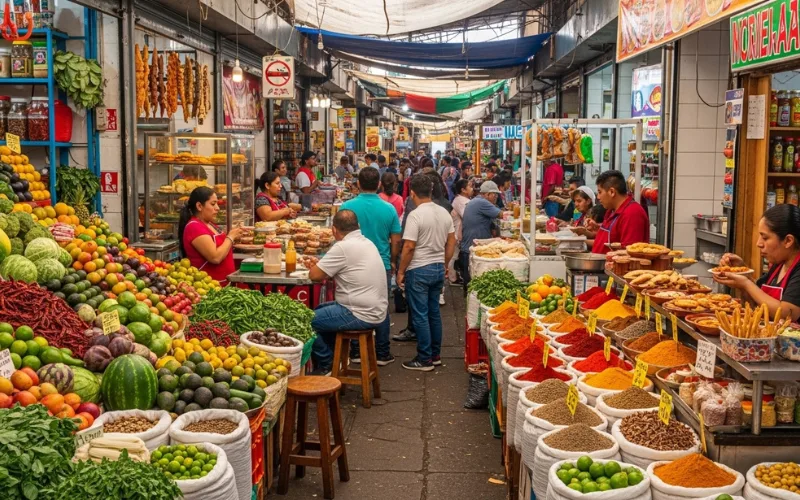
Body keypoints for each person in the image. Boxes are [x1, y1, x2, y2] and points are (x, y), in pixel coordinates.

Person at [308, 210, 388, 374]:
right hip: (375, 309)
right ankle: (332, 360)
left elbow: (314, 275)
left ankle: (326, 362)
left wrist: (317, 267)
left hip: (359, 312)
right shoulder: (366, 242)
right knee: (319, 311)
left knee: (304, 320)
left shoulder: (343, 247)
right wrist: (322, 266)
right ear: (357, 226)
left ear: (334, 230)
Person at [337, 168, 402, 365]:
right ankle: (382, 352)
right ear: (379, 185)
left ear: (358, 184)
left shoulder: (347, 207)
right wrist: (392, 260)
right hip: (381, 263)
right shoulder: (389, 208)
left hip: (351, 263)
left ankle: (356, 350)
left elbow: (339, 235)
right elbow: (396, 240)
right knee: (380, 305)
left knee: (352, 304)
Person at [397, 175, 456, 371]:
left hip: (419, 269)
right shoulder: (444, 212)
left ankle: (424, 358)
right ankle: (435, 354)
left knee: (420, 315)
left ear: (412, 193)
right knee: (433, 314)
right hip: (438, 267)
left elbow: (409, 247)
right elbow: (451, 243)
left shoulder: (415, 215)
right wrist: (444, 263)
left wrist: (401, 271)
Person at [714, 205, 800, 321]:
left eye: (765, 238)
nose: (758, 243)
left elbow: (787, 313)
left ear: (788, 241)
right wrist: (743, 273)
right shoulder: (778, 264)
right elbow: (755, 304)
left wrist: (746, 283)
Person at [178, 187, 244, 286]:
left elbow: (222, 245)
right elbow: (215, 257)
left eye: (217, 203)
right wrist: (230, 237)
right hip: (211, 287)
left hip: (225, 283)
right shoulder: (194, 226)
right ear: (199, 206)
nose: (217, 208)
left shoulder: (209, 223)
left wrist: (236, 235)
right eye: (213, 204)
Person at [587, 170, 650, 254]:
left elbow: (629, 253)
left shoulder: (632, 213)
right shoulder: (611, 210)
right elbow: (612, 236)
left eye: (600, 192)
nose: (598, 197)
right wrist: (597, 227)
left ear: (612, 192)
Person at [459, 180, 503, 287]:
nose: (496, 197)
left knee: (471, 285)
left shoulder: (476, 201)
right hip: (471, 249)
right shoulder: (482, 202)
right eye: (494, 195)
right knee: (473, 285)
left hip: (469, 248)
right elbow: (501, 214)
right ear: (487, 194)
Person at [450, 179, 473, 285]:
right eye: (470, 186)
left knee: (455, 255)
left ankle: (454, 276)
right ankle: (453, 278)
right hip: (457, 232)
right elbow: (467, 216)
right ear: (463, 190)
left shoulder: (461, 200)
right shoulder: (461, 201)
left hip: (457, 231)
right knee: (454, 256)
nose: (472, 188)